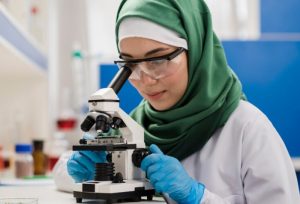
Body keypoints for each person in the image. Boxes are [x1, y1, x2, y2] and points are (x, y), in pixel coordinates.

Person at [53, 0, 300, 203]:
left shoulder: (248, 129)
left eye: (157, 61)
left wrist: (199, 198)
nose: (145, 80)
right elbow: (60, 172)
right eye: (130, 66)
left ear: (195, 50)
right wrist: (83, 172)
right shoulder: (133, 127)